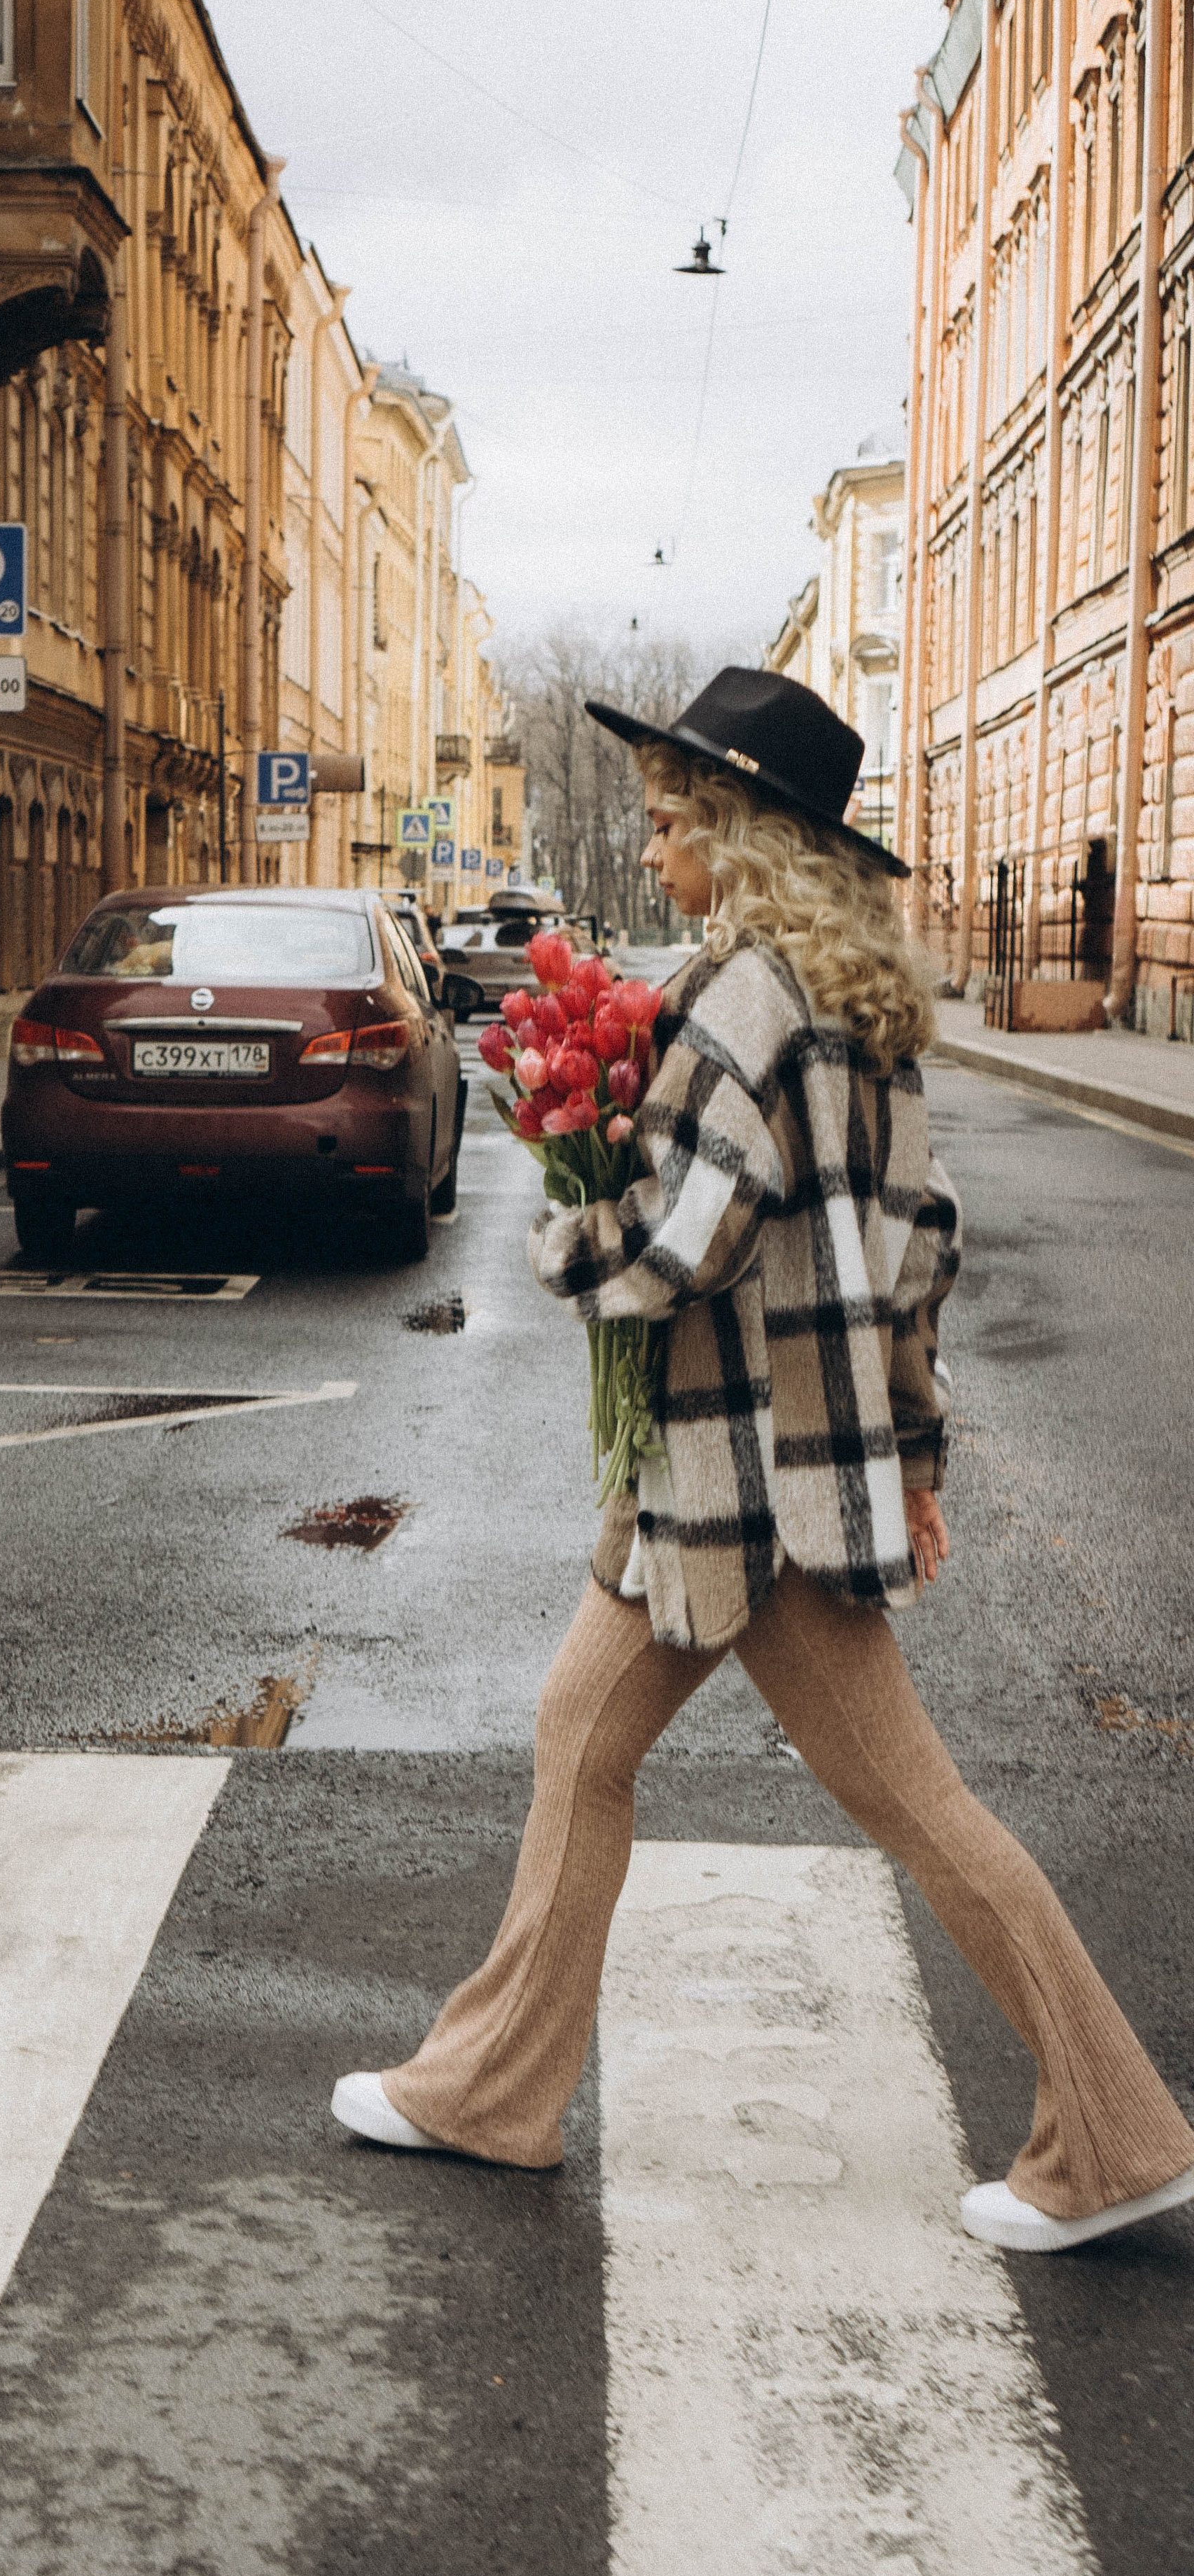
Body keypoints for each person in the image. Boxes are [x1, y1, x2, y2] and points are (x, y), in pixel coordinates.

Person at [332, 667, 1194, 2255]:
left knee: (913, 1805)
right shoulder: (862, 1008)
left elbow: (687, 1234)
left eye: (673, 825)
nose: (655, 851)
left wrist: (561, 1241)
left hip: (745, 1483)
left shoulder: (744, 995)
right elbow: (919, 1248)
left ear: (744, 837)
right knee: (582, 1741)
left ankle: (1117, 2134)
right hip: (765, 1471)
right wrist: (911, 1456)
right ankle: (491, 2090)